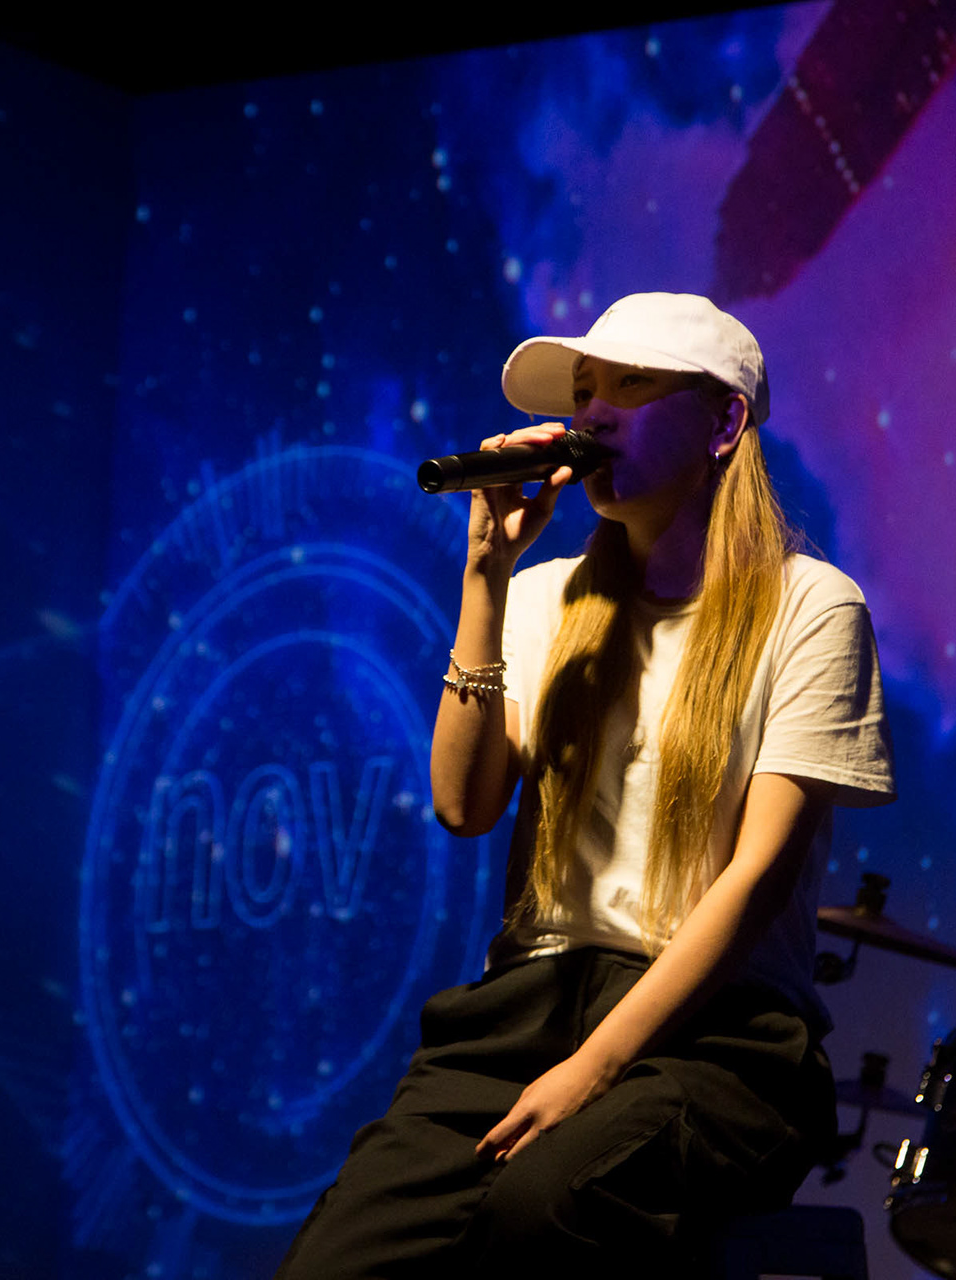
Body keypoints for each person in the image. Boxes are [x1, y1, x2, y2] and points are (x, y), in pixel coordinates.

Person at [274, 292, 895, 1278]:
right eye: (584, 390)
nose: (593, 412)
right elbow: (463, 805)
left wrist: (597, 1065)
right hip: (525, 1005)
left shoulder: (810, 606)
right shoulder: (543, 597)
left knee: (547, 1205)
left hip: (717, 1035)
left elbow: (757, 876)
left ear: (724, 422)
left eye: (631, 385)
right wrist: (486, 577)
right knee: (336, 1261)